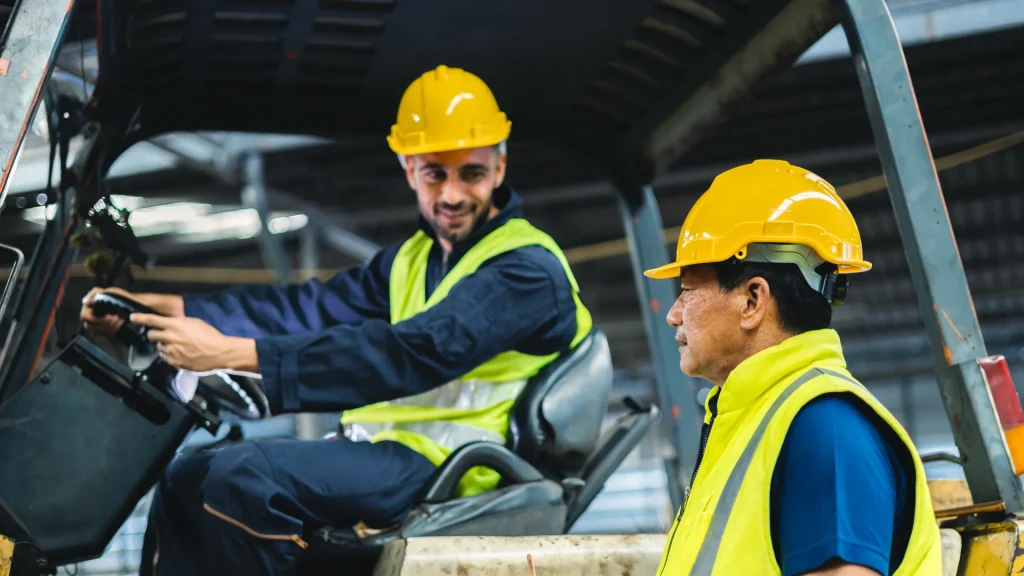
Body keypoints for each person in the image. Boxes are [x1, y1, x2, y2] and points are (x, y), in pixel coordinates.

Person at [80, 64, 592, 576]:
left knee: (244, 480)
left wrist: (229, 354)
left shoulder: (525, 269)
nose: (452, 194)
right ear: (409, 168)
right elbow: (307, 309)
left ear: (499, 168)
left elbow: (409, 353)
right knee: (187, 476)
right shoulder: (411, 260)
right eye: (435, 172)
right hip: (390, 451)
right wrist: (171, 309)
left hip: (456, 464)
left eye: (471, 173)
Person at [647, 160, 941, 575]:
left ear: (752, 301)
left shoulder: (825, 426)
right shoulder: (753, 422)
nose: (673, 315)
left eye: (688, 292)